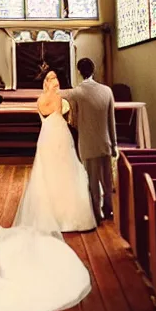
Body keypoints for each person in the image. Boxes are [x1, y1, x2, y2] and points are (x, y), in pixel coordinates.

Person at [0, 71, 95, 311]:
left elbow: (49, 111)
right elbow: (66, 113)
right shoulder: (58, 99)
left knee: (53, 173)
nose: (55, 83)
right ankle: (67, 215)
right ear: (51, 83)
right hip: (58, 137)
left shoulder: (41, 99)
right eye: (54, 81)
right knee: (62, 172)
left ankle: (57, 212)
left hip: (50, 137)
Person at [60, 58, 118, 223]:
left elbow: (59, 94)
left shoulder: (77, 92)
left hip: (87, 144)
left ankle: (97, 215)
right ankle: (109, 211)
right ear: (93, 71)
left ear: (79, 72)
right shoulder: (107, 91)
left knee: (92, 182)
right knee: (107, 181)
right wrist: (114, 144)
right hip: (105, 142)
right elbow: (111, 120)